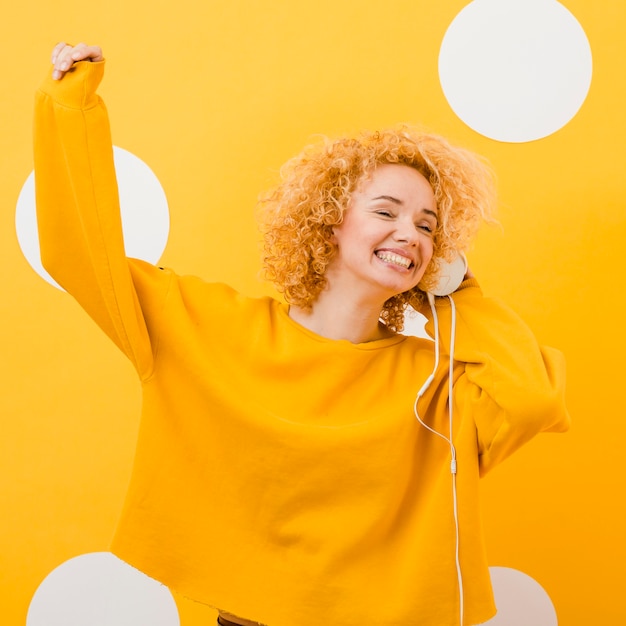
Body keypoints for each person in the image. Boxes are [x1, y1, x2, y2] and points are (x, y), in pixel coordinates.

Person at [34, 42, 570, 626]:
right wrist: (69, 107)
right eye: (387, 211)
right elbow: (79, 255)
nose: (410, 234)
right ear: (330, 220)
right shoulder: (202, 323)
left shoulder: (434, 384)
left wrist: (459, 291)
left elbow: (533, 399)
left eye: (427, 225)